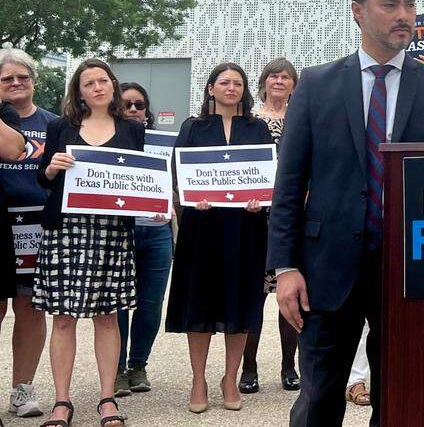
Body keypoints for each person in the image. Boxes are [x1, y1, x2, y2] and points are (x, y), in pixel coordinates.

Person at [268, 0, 424, 427]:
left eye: (411, 5)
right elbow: (289, 183)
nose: (404, 15)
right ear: (358, 10)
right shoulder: (316, 86)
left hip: (411, 270)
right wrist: (285, 267)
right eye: (390, 4)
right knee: (318, 400)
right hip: (325, 271)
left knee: (401, 399)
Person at [35, 59, 145, 427]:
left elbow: (141, 181)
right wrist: (51, 167)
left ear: (112, 86)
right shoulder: (60, 127)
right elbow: (44, 180)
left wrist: (157, 205)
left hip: (112, 232)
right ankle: (62, 401)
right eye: (88, 83)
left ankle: (107, 398)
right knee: (63, 319)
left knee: (108, 317)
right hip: (66, 231)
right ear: (78, 92)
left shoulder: (132, 129)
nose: (97, 87)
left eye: (102, 80)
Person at [164, 62, 273, 414]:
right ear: (210, 88)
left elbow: (267, 173)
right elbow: (177, 174)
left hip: (246, 227)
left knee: (239, 301)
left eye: (237, 83)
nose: (231, 88)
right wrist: (193, 197)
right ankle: (199, 378)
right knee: (201, 301)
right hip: (202, 227)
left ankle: (230, 377)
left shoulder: (257, 128)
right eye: (224, 82)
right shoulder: (193, 127)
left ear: (245, 90)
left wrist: (261, 200)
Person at [240, 57, 301, 395]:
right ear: (263, 83)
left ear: (294, 85)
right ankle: (248, 366)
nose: (279, 81)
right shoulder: (250, 122)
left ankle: (289, 366)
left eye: (286, 77)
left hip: (291, 217)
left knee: (289, 293)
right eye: (274, 76)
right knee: (254, 296)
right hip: (254, 218)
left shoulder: (301, 119)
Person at [0, 48, 55, 418]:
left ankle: (23, 391)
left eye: (23, 77)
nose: (16, 83)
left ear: (35, 81)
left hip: (39, 223)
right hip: (2, 222)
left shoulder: (55, 123)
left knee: (31, 309)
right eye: (7, 79)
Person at [111, 82, 173, 398]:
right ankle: (117, 369)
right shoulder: (107, 140)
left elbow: (178, 183)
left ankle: (138, 365)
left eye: (140, 104)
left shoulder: (163, 144)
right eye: (127, 104)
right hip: (121, 232)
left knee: (151, 304)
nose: (134, 109)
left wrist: (171, 205)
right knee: (120, 304)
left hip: (158, 231)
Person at [0, 98, 32, 422]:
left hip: (13, 221)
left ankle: (21, 392)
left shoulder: (4, 112)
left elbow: (12, 149)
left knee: (28, 307)